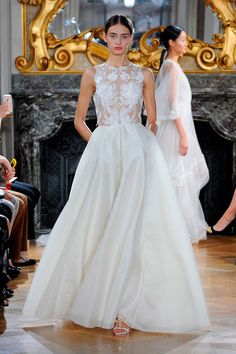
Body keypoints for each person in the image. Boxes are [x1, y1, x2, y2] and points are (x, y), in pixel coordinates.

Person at [23, 15, 210, 335]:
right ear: (104, 38)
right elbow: (80, 120)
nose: (119, 41)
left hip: (138, 153)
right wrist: (100, 144)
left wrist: (142, 147)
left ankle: (125, 308)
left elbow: (153, 119)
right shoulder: (92, 74)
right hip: (103, 152)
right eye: (113, 35)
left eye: (125, 35)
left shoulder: (145, 74)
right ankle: (91, 299)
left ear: (132, 38)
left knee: (134, 225)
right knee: (97, 221)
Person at [155, 25, 209, 243]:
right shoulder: (171, 67)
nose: (187, 44)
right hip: (175, 130)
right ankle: (170, 229)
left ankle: (174, 228)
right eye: (183, 40)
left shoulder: (172, 66)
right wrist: (182, 134)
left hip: (178, 126)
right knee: (174, 176)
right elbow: (170, 102)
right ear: (171, 42)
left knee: (177, 177)